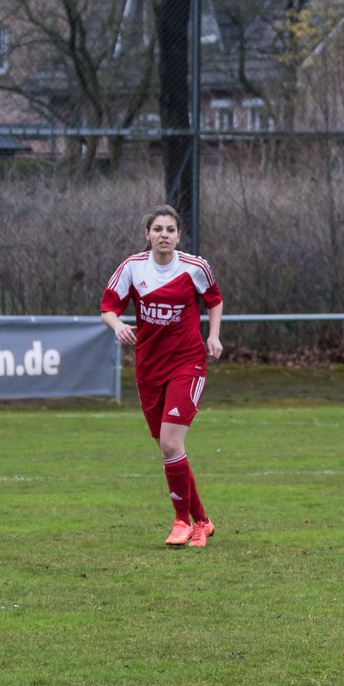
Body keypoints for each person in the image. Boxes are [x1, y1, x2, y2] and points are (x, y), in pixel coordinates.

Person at [100, 205, 223, 547]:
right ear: (148, 235)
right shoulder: (132, 267)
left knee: (170, 443)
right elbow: (108, 307)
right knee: (170, 448)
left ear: (178, 235)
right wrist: (117, 325)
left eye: (170, 229)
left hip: (187, 363)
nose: (164, 235)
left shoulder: (195, 267)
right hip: (149, 367)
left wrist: (213, 336)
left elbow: (214, 300)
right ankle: (203, 521)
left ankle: (181, 522)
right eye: (158, 229)